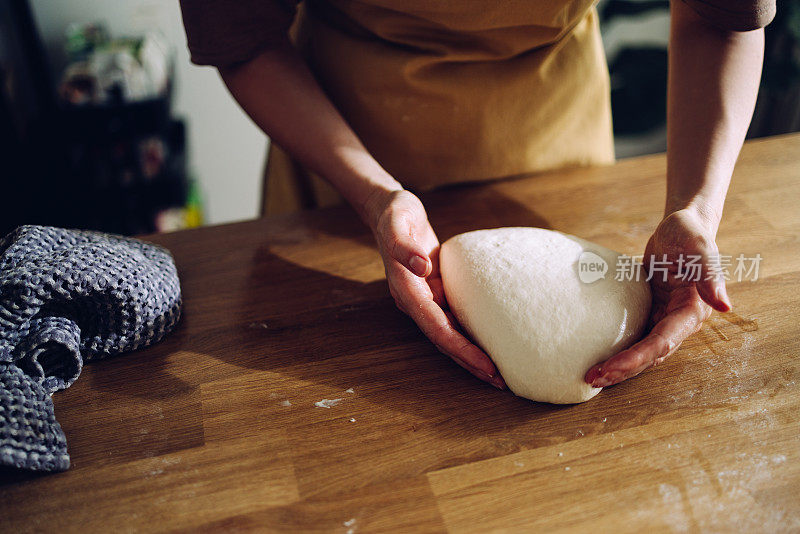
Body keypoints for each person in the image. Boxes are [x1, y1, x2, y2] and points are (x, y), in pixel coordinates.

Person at [179, 0, 775, 391]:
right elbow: (243, 37)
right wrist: (375, 197)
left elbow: (721, 12)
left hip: (552, 123)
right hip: (340, 134)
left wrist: (694, 208)